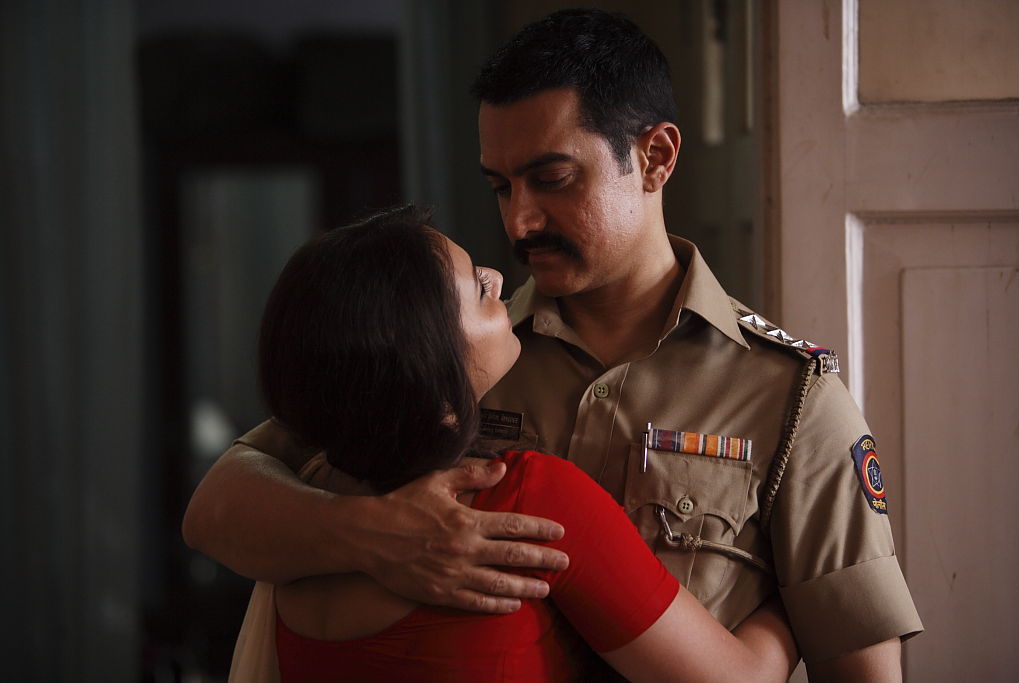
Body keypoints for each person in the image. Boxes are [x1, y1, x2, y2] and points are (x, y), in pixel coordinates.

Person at [184, 9, 922, 680]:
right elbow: (219, 506)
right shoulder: (447, 357)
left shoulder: (791, 401)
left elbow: (862, 671)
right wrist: (378, 533)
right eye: (501, 187)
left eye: (552, 178)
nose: (518, 223)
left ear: (657, 157)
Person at [234, 205, 796, 681]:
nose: (499, 278)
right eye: (478, 289)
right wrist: (791, 595)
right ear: (430, 368)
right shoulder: (529, 498)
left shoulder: (292, 524)